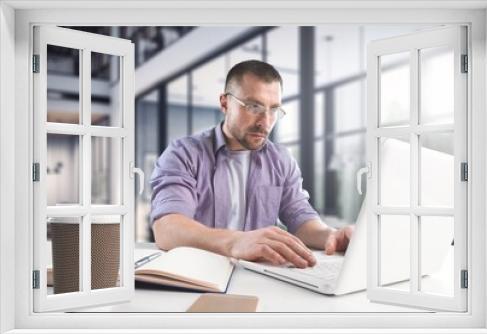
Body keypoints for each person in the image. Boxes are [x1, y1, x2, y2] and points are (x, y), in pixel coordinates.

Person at [150, 60, 353, 269]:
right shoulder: (184, 154)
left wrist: (332, 235)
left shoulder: (280, 160)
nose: (265, 122)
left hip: (260, 278)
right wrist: (235, 241)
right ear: (225, 103)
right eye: (253, 106)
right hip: (197, 275)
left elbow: (300, 218)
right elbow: (167, 229)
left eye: (274, 109)